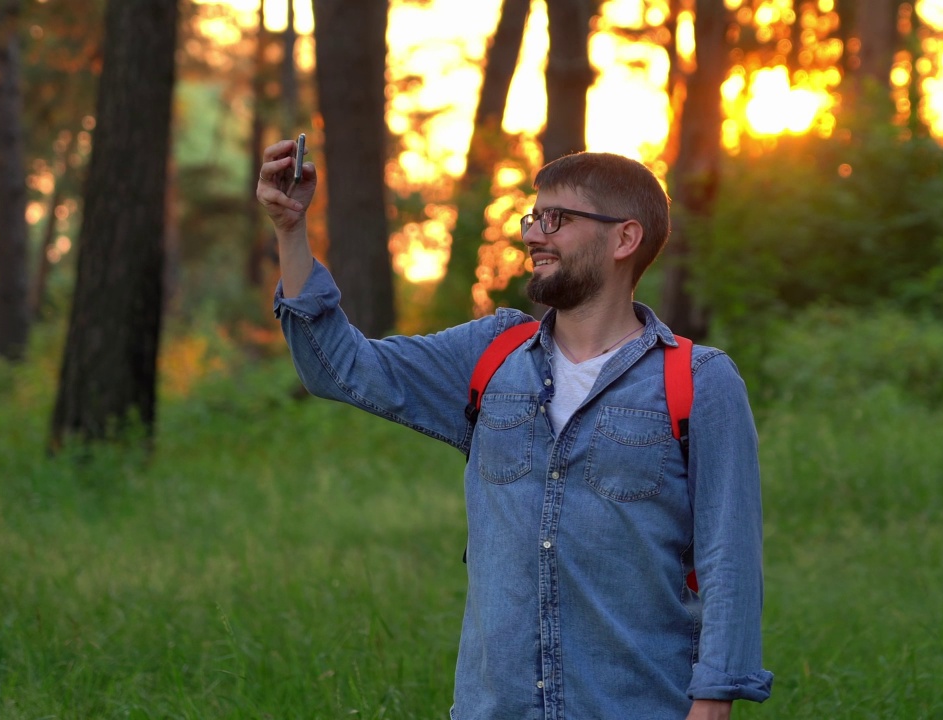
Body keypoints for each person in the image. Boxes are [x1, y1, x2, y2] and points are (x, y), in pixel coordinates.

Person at [257, 141, 772, 720]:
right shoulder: (490, 353)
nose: (532, 235)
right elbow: (342, 369)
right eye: (534, 217)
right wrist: (291, 231)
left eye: (558, 219)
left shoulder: (699, 381)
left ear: (625, 238)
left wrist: (713, 699)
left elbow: (729, 555)